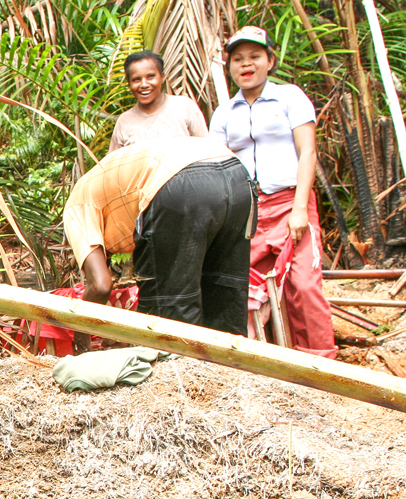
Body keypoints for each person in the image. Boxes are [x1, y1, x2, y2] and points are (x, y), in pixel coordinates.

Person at [208, 26, 337, 358]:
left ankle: (323, 365)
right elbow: (218, 165)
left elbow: (307, 153)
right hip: (246, 212)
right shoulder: (223, 114)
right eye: (238, 59)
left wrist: (298, 210)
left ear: (269, 60)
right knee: (228, 284)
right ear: (229, 66)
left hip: (291, 202)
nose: (246, 65)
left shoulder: (290, 96)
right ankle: (248, 361)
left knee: (304, 285)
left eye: (254, 56)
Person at [63, 137, 253, 348]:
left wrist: (81, 343)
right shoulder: (104, 191)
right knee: (222, 294)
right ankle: (226, 376)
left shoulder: (75, 208)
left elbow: (99, 285)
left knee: (168, 321)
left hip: (178, 180)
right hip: (236, 175)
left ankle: (181, 377)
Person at [109, 50, 208, 152]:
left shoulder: (185, 107)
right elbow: (114, 165)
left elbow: (207, 151)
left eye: (150, 77)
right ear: (129, 83)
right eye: (136, 79)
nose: (144, 84)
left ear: (162, 77)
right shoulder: (124, 121)